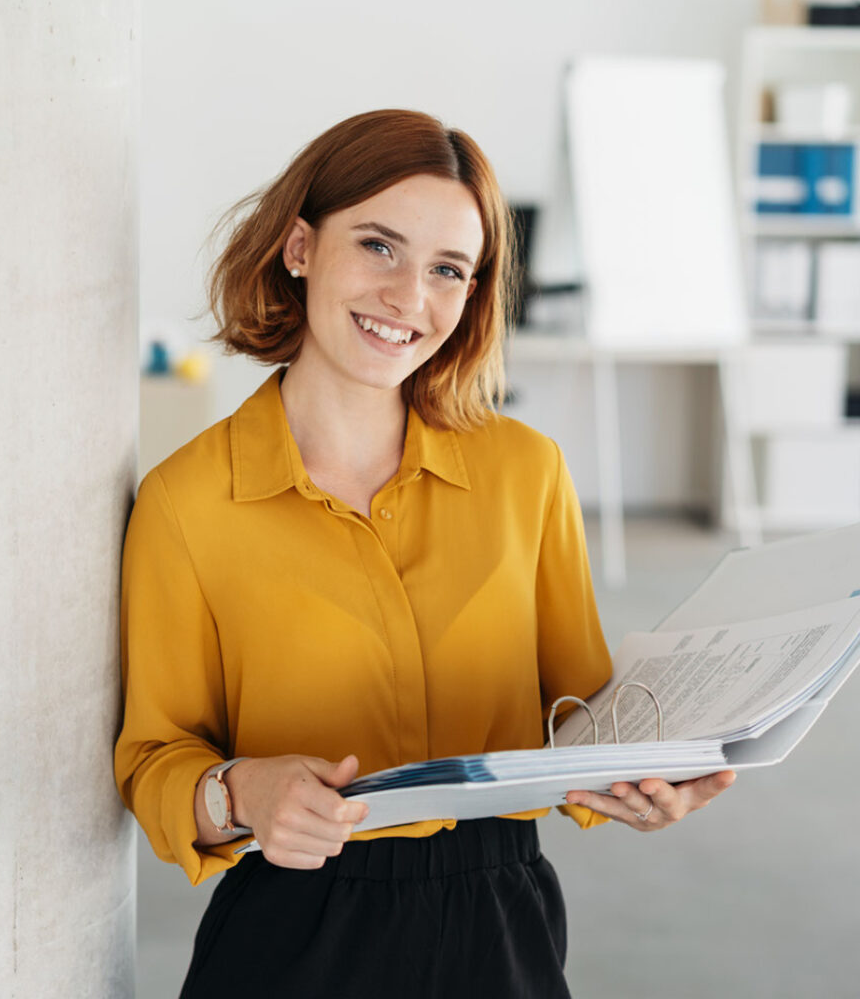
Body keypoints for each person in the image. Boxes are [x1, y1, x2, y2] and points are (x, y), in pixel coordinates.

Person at [114, 109, 735, 998]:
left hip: (502, 922)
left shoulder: (527, 473)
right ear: (299, 247)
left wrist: (640, 776)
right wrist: (243, 792)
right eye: (378, 247)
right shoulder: (188, 502)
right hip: (290, 929)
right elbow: (152, 757)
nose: (410, 298)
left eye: (448, 269)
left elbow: (580, 715)